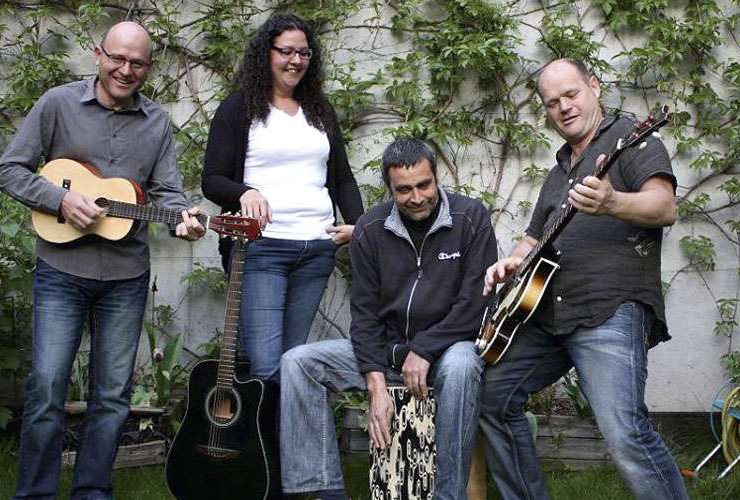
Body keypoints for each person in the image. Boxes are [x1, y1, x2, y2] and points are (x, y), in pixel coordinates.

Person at [0, 21, 205, 500]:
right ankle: (35, 494)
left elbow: (169, 193)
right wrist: (60, 200)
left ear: (149, 67)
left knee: (111, 396)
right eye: (117, 58)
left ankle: (92, 491)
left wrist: (184, 221)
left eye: (137, 63)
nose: (125, 70)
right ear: (97, 55)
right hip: (61, 271)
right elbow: (7, 170)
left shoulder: (157, 122)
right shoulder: (58, 104)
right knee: (47, 388)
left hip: (126, 276)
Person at [478, 58, 688, 500]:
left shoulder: (632, 140)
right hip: (546, 316)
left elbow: (664, 207)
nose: (564, 107)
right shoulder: (558, 172)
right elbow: (533, 237)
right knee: (492, 398)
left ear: (594, 86)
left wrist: (613, 202)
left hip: (608, 309)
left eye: (571, 94)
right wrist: (511, 262)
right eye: (552, 102)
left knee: (625, 434)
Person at [278, 138, 497, 500]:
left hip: (447, 351)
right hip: (388, 352)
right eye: (404, 190)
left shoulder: (471, 217)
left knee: (461, 366)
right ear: (390, 188)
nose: (417, 197)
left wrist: (425, 349)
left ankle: (448, 495)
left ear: (436, 177)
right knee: (298, 363)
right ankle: (326, 492)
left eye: (424, 185)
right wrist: (375, 384)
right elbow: (364, 316)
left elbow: (476, 305)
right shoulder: (369, 228)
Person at [201, 13, 363, 381]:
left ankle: (286, 423)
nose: (296, 61)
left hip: (317, 250)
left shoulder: (320, 110)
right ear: (266, 53)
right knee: (266, 366)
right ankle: (267, 423)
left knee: (294, 364)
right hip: (261, 250)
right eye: (286, 51)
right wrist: (246, 191)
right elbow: (212, 180)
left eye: (304, 53)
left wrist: (358, 226)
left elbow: (342, 179)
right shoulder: (238, 109)